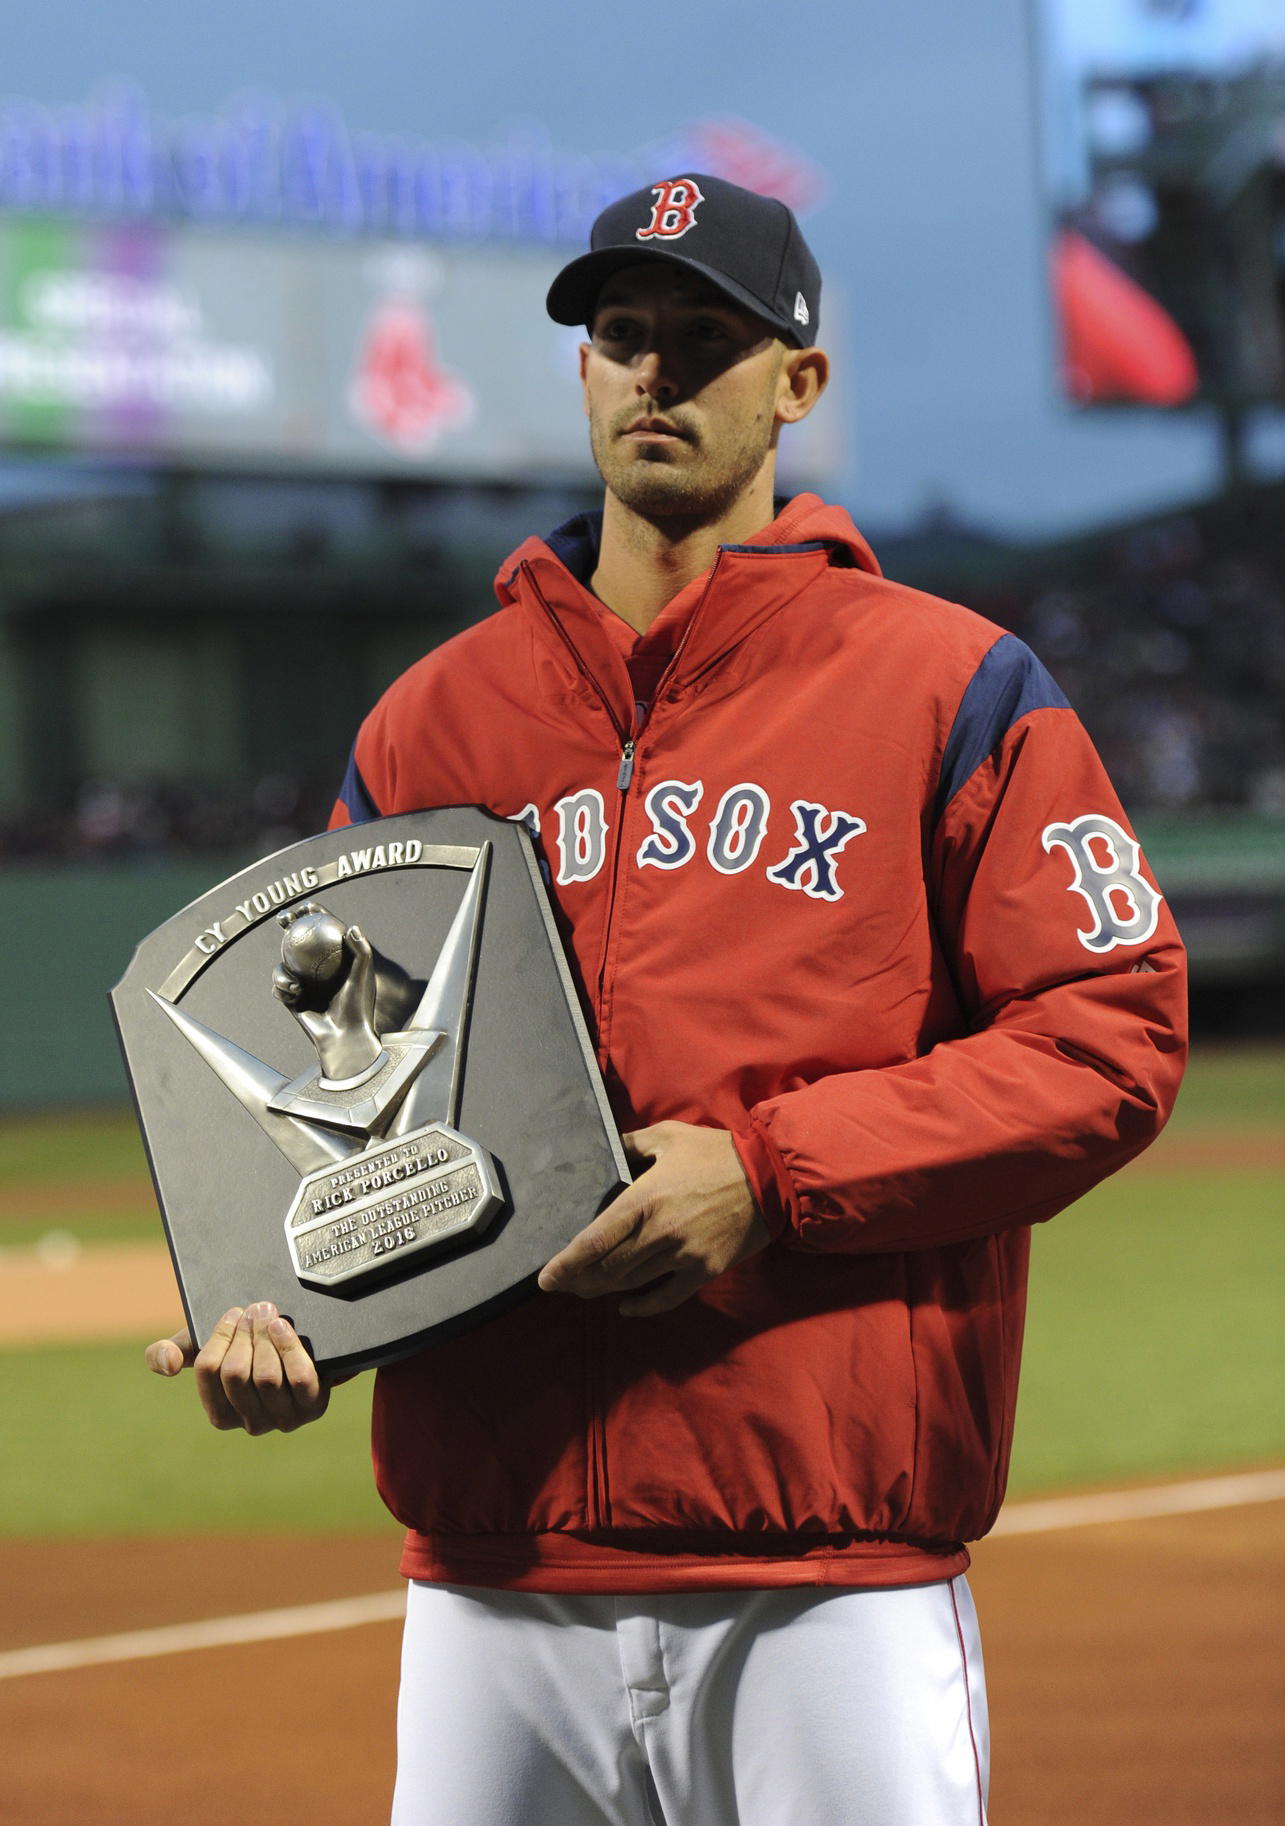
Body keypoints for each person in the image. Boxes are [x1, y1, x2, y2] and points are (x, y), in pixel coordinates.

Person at [148, 173, 1187, 1825]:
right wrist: (286, 1313)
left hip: (821, 1571)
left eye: (706, 340)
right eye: (622, 335)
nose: (654, 372)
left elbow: (1109, 1032)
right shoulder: (430, 724)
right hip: (493, 1566)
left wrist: (770, 1173)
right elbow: (347, 1102)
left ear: (797, 383)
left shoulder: (947, 683)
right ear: (578, 374)